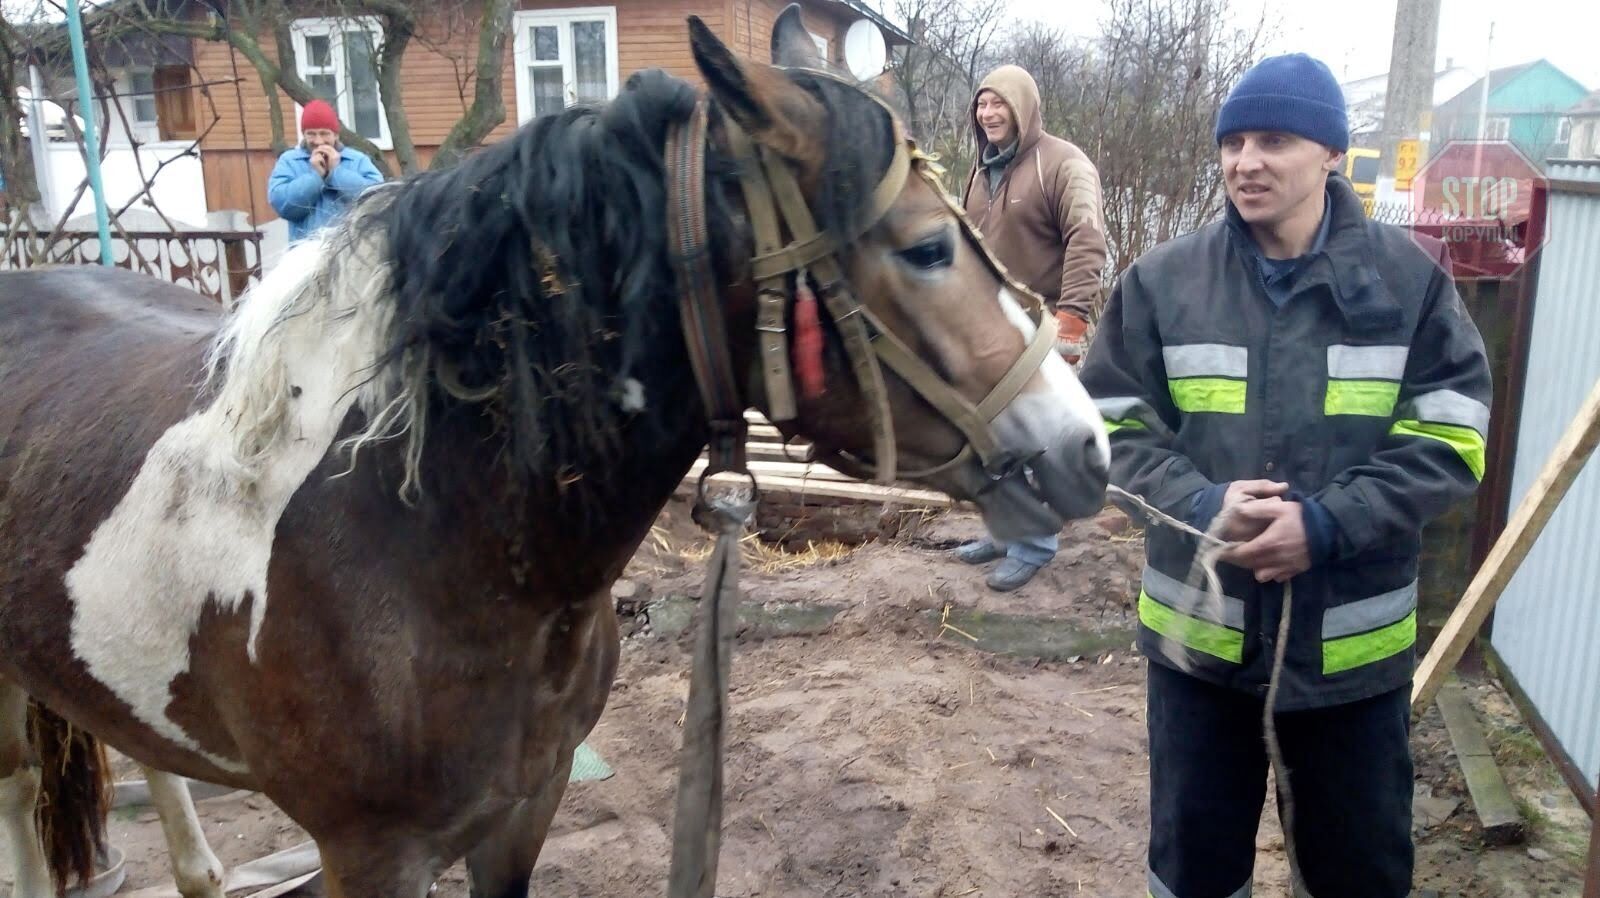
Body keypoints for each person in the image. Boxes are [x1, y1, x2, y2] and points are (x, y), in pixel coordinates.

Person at [1079, 53, 1491, 897]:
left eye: (1273, 139)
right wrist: (1198, 504)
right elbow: (1109, 426)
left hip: (1349, 665)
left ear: (1333, 154)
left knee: (1357, 874)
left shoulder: (1409, 283)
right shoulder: (1162, 284)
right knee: (1192, 871)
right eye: (1232, 142)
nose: (1245, 162)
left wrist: (1329, 525)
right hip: (1199, 650)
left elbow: (1453, 437)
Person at [951, 64, 1109, 592]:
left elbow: (1087, 240)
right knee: (990, 436)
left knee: (1038, 436)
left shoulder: (1063, 164)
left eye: (999, 104)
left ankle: (1036, 543)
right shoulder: (979, 171)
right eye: (982, 105)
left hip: (1042, 324)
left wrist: (1071, 321)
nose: (988, 113)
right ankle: (1006, 528)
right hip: (991, 327)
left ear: (1023, 108)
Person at [268, 99, 383, 243]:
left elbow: (377, 199)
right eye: (311, 134)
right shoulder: (289, 161)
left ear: (336, 135)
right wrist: (316, 177)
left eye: (324, 134)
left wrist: (336, 173)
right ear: (303, 134)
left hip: (351, 252)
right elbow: (283, 205)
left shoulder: (357, 160)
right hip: (305, 254)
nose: (318, 141)